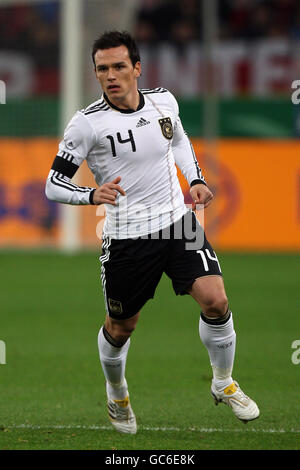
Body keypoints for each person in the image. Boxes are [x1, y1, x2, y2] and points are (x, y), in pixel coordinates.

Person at [45, 30, 259, 434]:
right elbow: (53, 183)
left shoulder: (164, 101)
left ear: (137, 68)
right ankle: (117, 391)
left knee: (216, 299)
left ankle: (223, 381)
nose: (111, 75)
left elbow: (177, 138)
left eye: (119, 66)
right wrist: (91, 195)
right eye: (102, 69)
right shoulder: (86, 124)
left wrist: (194, 178)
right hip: (127, 237)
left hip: (178, 222)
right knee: (121, 327)